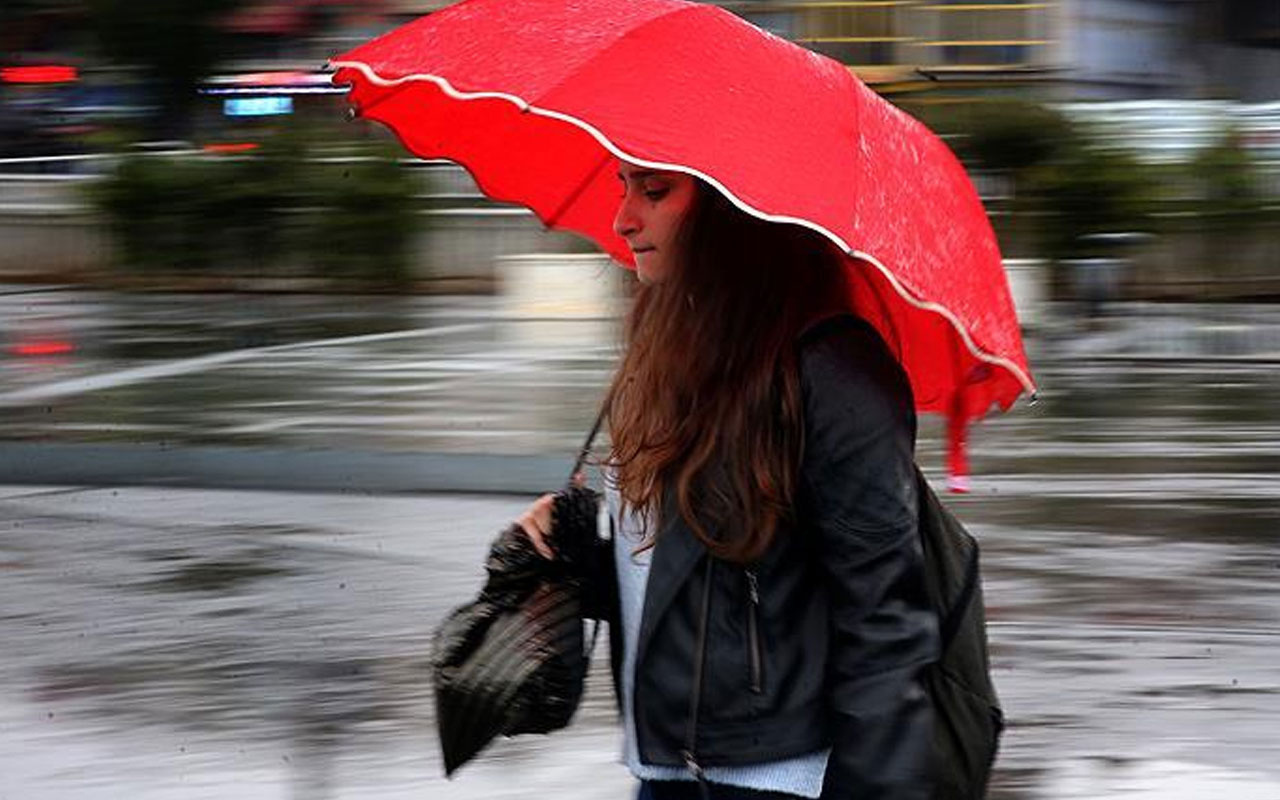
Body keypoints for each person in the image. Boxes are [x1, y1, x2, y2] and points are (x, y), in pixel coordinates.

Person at [516, 162, 938, 800]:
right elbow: (696, 586)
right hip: (664, 774)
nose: (624, 219)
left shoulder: (831, 373)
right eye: (624, 190)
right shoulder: (671, 356)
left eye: (655, 192)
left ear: (733, 208)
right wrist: (577, 562)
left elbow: (886, 622)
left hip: (774, 782)